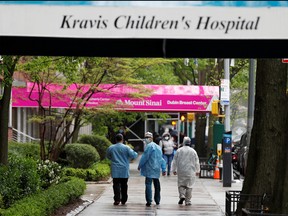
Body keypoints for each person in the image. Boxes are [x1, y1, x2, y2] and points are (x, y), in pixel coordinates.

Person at [106, 133, 138, 205]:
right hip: (124, 169)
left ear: (115, 139)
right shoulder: (126, 148)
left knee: (116, 184)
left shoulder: (111, 147)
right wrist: (128, 158)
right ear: (122, 139)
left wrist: (113, 159)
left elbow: (107, 156)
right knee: (124, 184)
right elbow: (134, 155)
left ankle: (117, 200)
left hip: (115, 169)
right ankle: (124, 199)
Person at [138, 132, 166, 207]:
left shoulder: (148, 146)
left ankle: (149, 201)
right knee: (157, 185)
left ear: (151, 138)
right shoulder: (158, 147)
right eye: (146, 137)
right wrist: (164, 169)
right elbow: (161, 159)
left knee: (148, 184)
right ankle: (157, 200)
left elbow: (145, 157)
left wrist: (140, 165)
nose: (146, 139)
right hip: (156, 169)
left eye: (147, 137)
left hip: (149, 169)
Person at [171, 136, 200, 206]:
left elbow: (174, 161)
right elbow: (197, 162)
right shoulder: (193, 151)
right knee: (189, 186)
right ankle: (188, 201)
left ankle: (182, 196)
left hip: (181, 171)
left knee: (181, 185)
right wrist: (197, 170)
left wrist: (174, 169)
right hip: (190, 172)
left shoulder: (179, 150)